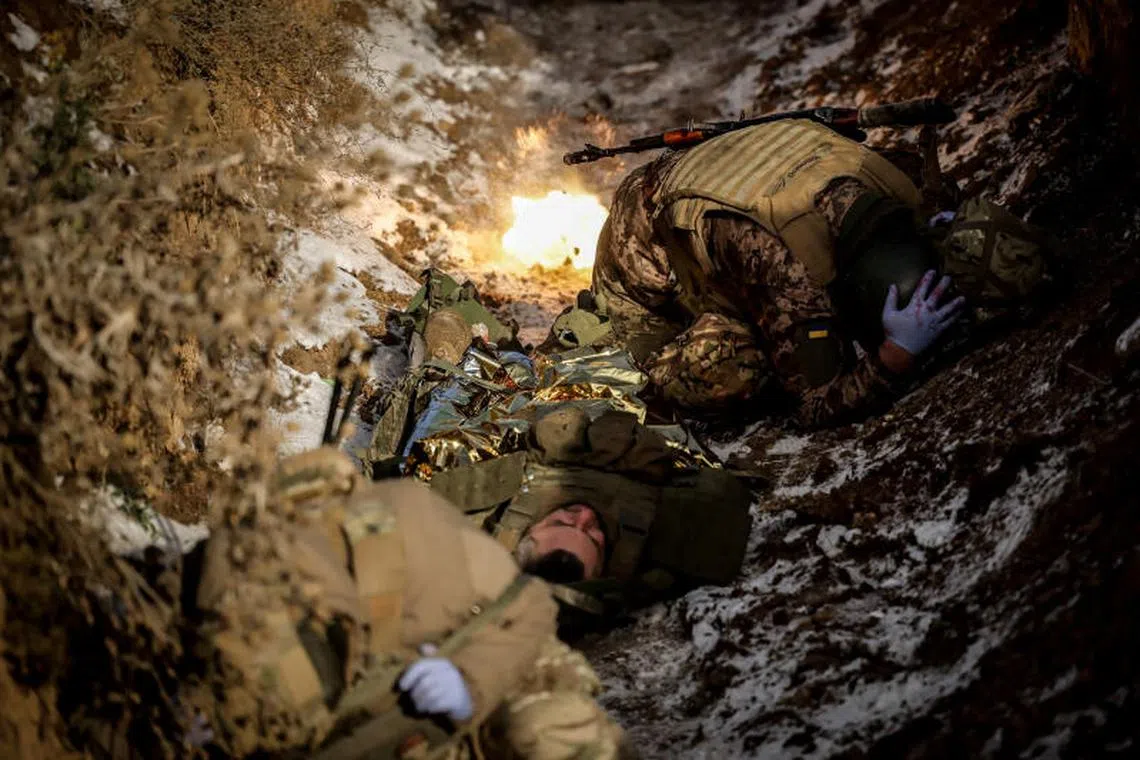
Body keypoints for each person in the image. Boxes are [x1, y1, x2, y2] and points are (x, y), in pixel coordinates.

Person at [591, 118, 1051, 426]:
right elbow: (813, 405)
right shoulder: (790, 272)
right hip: (644, 244)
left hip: (720, 171)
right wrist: (894, 356)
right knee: (727, 368)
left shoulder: (899, 183)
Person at [188, 445, 628, 759]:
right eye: (566, 517)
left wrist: (473, 684)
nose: (582, 522)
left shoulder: (546, 635)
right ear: (525, 532)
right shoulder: (451, 544)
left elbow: (564, 697)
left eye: (594, 536)